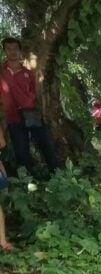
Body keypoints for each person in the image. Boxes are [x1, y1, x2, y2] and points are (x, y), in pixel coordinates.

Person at [0, 37, 58, 175]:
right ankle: (29, 184)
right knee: (21, 151)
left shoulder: (28, 73)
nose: (12, 52)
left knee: (46, 145)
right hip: (13, 117)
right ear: (4, 51)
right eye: (9, 48)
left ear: (20, 51)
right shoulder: (1, 72)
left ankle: (57, 175)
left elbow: (35, 94)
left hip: (32, 114)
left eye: (15, 48)